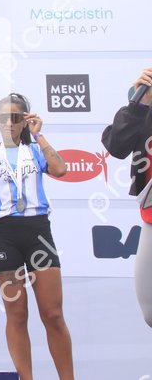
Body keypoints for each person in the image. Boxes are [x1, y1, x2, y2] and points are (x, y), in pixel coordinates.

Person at [0, 93, 73, 380]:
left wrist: (40, 135)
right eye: (3, 118)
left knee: (52, 314)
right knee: (17, 314)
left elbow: (60, 169)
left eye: (15, 118)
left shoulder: (35, 149)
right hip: (4, 235)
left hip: (38, 233)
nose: (9, 123)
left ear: (25, 120)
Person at [101, 67, 152, 328]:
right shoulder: (143, 106)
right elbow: (117, 147)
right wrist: (139, 103)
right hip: (151, 216)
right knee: (150, 312)